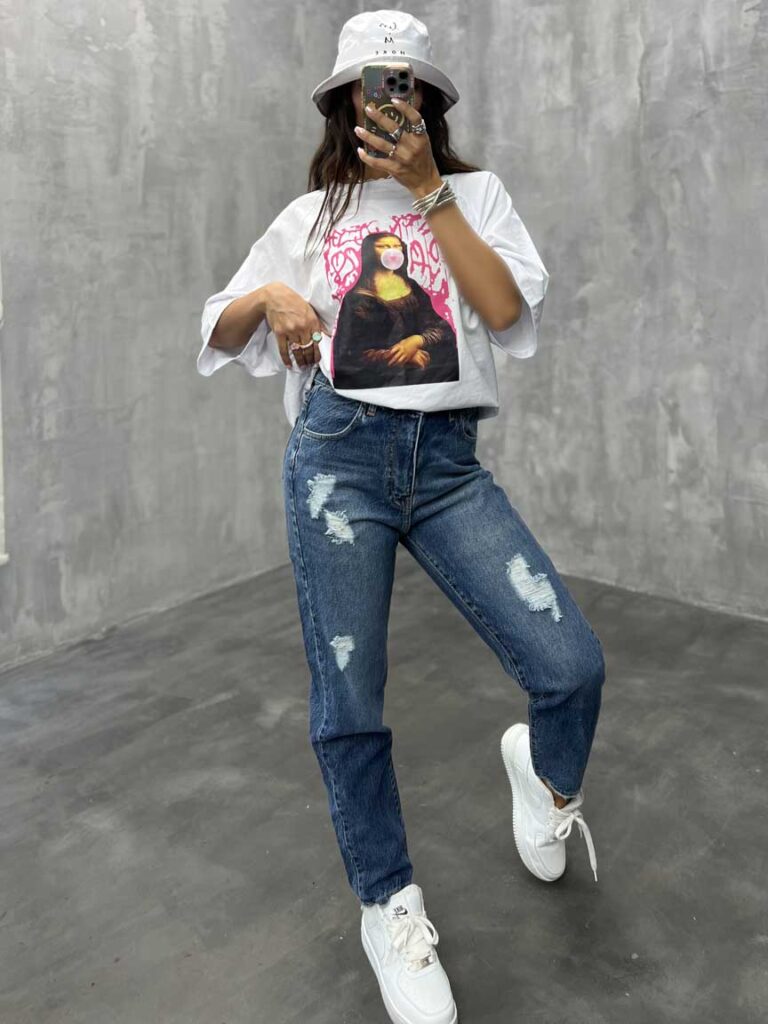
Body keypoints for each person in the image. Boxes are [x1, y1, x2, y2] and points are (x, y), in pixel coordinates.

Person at [197, 11, 605, 1024]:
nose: (391, 99)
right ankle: (389, 905)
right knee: (350, 701)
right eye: (373, 85)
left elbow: (504, 314)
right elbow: (219, 322)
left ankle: (545, 779)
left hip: (448, 465)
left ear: (427, 100)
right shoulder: (313, 215)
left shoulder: (478, 194)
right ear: (346, 103)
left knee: (570, 665)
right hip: (339, 464)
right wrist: (273, 300)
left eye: (407, 82)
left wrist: (430, 191)